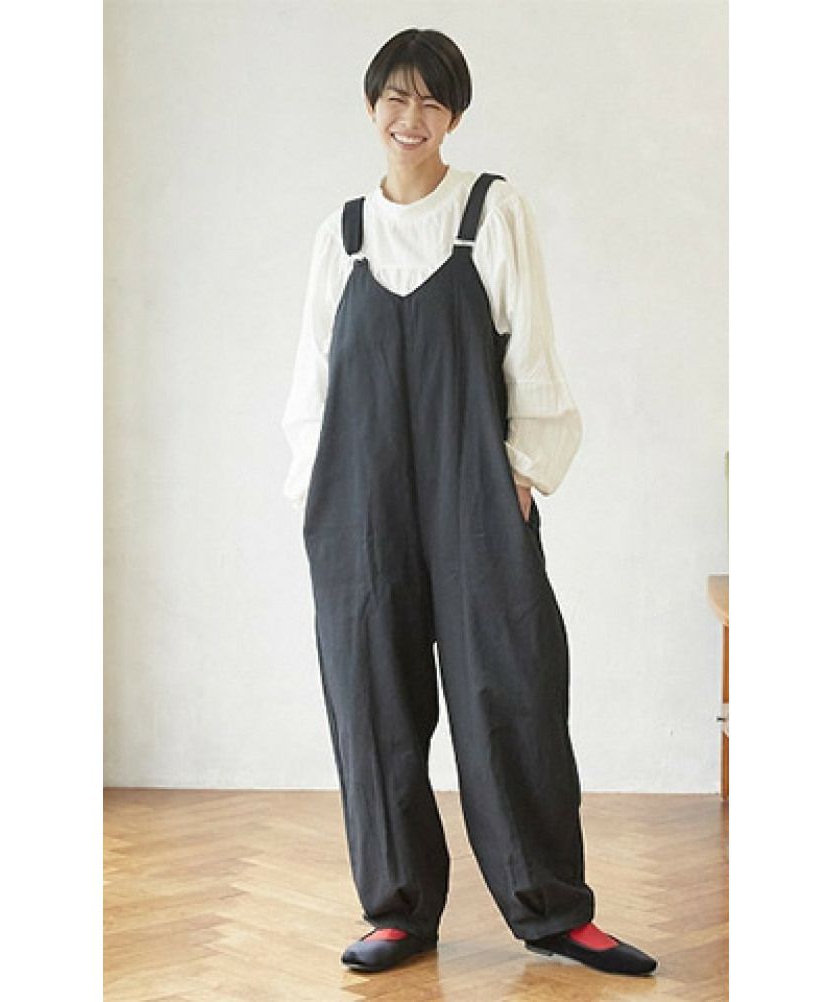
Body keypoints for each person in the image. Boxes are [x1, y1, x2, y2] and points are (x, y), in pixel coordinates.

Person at [280, 27, 657, 979]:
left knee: (511, 691)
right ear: (373, 108)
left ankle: (553, 911)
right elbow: (312, 379)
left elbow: (533, 347)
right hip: (357, 500)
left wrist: (522, 470)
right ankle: (399, 911)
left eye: (432, 101)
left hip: (474, 489)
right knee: (373, 700)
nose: (412, 118)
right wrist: (314, 495)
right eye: (396, 99)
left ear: (453, 115)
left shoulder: (490, 211)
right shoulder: (342, 234)